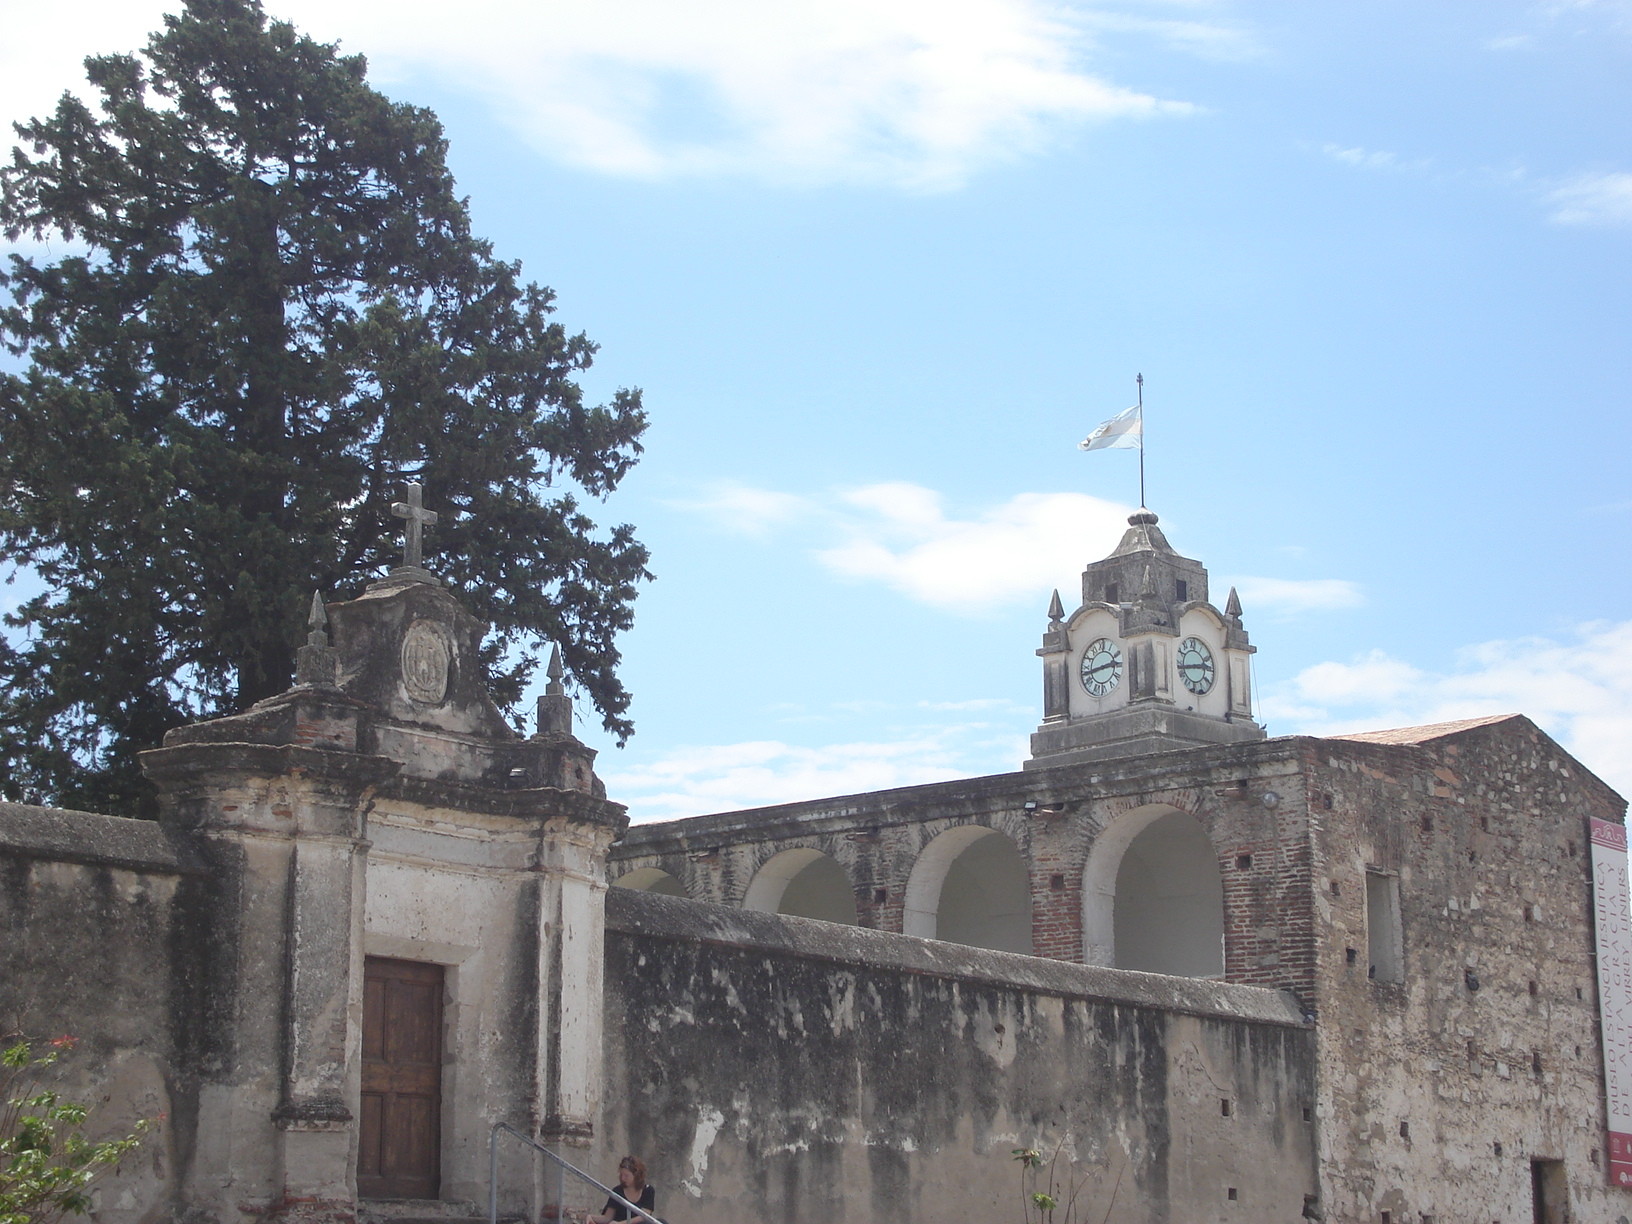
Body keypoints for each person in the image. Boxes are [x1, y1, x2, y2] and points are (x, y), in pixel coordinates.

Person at [585, 1155, 655, 1224]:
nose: (622, 1178)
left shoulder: (648, 1190)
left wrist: (621, 1223)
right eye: (621, 1175)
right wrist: (591, 1217)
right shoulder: (617, 1191)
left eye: (626, 1176)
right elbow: (607, 1218)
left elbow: (645, 1216)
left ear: (636, 1175)